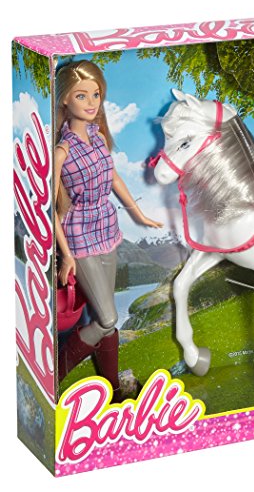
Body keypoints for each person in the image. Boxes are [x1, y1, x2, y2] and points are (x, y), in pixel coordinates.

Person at [54, 60, 162, 401]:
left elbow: (113, 177)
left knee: (107, 317)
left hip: (107, 228)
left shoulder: (98, 136)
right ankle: (55, 375)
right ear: (65, 100)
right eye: (81, 95)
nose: (91, 102)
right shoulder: (61, 152)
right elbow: (51, 209)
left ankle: (113, 390)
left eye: (96, 94)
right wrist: (66, 256)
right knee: (107, 318)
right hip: (79, 236)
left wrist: (137, 213)